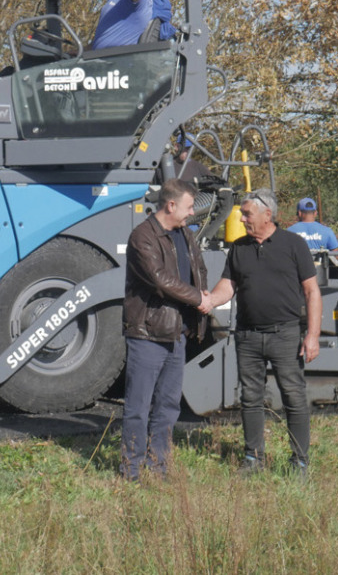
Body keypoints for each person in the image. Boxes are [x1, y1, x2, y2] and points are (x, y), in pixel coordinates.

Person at [207, 189, 322, 475]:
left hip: (284, 334)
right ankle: (253, 459)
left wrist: (312, 336)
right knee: (250, 397)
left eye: (247, 214)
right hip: (247, 336)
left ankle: (299, 462)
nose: (242, 218)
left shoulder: (294, 245)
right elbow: (228, 286)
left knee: (293, 396)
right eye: (243, 213)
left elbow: (312, 291)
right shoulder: (238, 248)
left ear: (267, 215)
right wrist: (208, 300)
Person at [120, 178, 212, 480]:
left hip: (177, 334)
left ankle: (158, 467)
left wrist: (206, 296)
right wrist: (199, 298)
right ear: (170, 205)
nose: (191, 214)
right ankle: (131, 471)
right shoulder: (142, 236)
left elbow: (198, 269)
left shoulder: (184, 233)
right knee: (138, 406)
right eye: (187, 208)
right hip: (148, 334)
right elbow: (160, 281)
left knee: (168, 406)